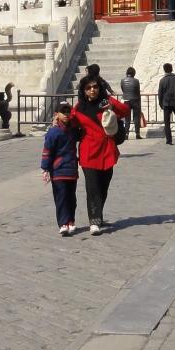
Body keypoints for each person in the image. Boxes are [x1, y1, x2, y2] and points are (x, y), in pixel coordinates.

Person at [68, 78, 129, 234]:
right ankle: (94, 221)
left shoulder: (106, 102)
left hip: (107, 150)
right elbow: (70, 122)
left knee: (103, 186)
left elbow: (125, 110)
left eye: (95, 87)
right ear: (83, 91)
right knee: (92, 187)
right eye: (88, 88)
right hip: (89, 151)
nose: (92, 90)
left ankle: (99, 215)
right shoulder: (79, 108)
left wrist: (111, 104)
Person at [41, 101, 79, 235]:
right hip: (58, 170)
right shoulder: (53, 132)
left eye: (68, 112)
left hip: (72, 169)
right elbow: (47, 151)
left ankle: (71, 221)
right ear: (57, 114)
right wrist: (45, 169)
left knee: (71, 198)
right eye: (63, 112)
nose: (66, 114)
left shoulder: (73, 130)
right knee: (61, 197)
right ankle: (63, 223)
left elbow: (80, 119)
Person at [157, 63, 175, 145]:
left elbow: (160, 94)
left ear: (164, 70)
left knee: (167, 122)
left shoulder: (162, 80)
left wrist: (160, 103)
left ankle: (169, 140)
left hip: (166, 103)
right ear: (172, 69)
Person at [120, 67, 142, 139]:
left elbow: (123, 89)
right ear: (133, 73)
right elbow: (138, 91)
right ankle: (137, 134)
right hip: (135, 100)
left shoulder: (122, 80)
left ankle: (126, 134)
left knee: (127, 118)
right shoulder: (136, 81)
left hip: (126, 100)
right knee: (136, 118)